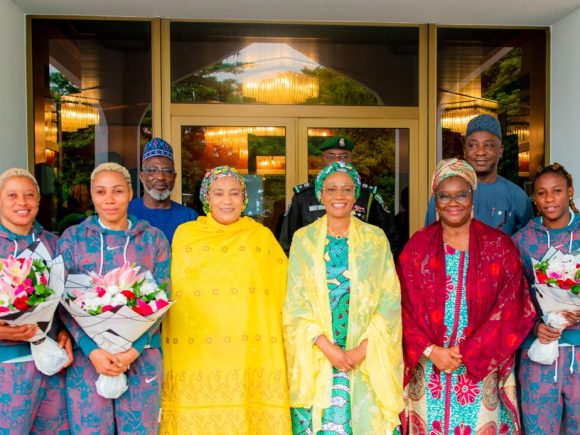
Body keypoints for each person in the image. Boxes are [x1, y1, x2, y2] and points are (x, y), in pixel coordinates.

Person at [400, 158, 535, 434]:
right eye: (444, 195)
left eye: (461, 194)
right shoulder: (417, 247)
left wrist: (469, 351)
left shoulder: (499, 247)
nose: (453, 202)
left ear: (472, 196)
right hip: (429, 369)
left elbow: (514, 307)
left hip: (480, 367)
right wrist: (431, 350)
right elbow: (397, 305)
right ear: (435, 201)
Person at [161, 166, 291, 434]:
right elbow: (172, 291)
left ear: (244, 199)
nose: (227, 201)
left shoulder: (261, 237)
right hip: (196, 354)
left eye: (234, 193)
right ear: (206, 198)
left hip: (248, 353)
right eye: (219, 193)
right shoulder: (186, 235)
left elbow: (284, 291)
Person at [283, 161, 404, 434]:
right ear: (320, 195)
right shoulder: (303, 240)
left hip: (366, 356)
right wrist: (329, 348)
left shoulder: (376, 239)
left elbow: (389, 300)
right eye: (332, 190)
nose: (339, 196)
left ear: (356, 195)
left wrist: (362, 350)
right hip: (319, 356)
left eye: (347, 189)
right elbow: (295, 305)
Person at [58, 162, 170, 434]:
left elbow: (164, 299)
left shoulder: (153, 239)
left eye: (118, 191)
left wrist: (134, 349)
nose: (109, 199)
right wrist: (91, 349)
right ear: (92, 195)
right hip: (89, 359)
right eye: (101, 192)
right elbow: (61, 302)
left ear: (130, 193)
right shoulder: (73, 239)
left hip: (141, 356)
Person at [0, 168, 73, 434]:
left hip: (51, 363)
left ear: (39, 202)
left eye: (30, 195)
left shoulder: (54, 243)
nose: (22, 202)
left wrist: (67, 331)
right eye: (12, 195)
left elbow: (68, 302)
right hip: (7, 364)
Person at [512, 162, 580, 434]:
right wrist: (534, 326)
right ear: (534, 198)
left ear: (570, 192)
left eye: (557, 191)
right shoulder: (523, 241)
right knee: (539, 429)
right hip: (538, 354)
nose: (549, 199)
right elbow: (512, 296)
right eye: (541, 193)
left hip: (579, 351)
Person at [279, 136, 401, 257]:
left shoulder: (368, 196)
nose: (338, 161)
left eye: (344, 156)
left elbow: (390, 242)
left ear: (351, 159)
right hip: (313, 272)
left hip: (360, 271)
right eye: (330, 156)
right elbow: (287, 245)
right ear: (322, 160)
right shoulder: (303, 197)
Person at [425, 114, 534, 235]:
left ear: (500, 150)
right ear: (465, 151)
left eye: (488, 145)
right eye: (473, 145)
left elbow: (528, 245)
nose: (480, 152)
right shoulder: (445, 195)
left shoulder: (517, 196)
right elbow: (429, 241)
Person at [129, 137, 198, 244]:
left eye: (167, 171)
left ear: (174, 177)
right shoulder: (126, 213)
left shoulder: (189, 217)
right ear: (141, 176)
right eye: (152, 170)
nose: (160, 177)